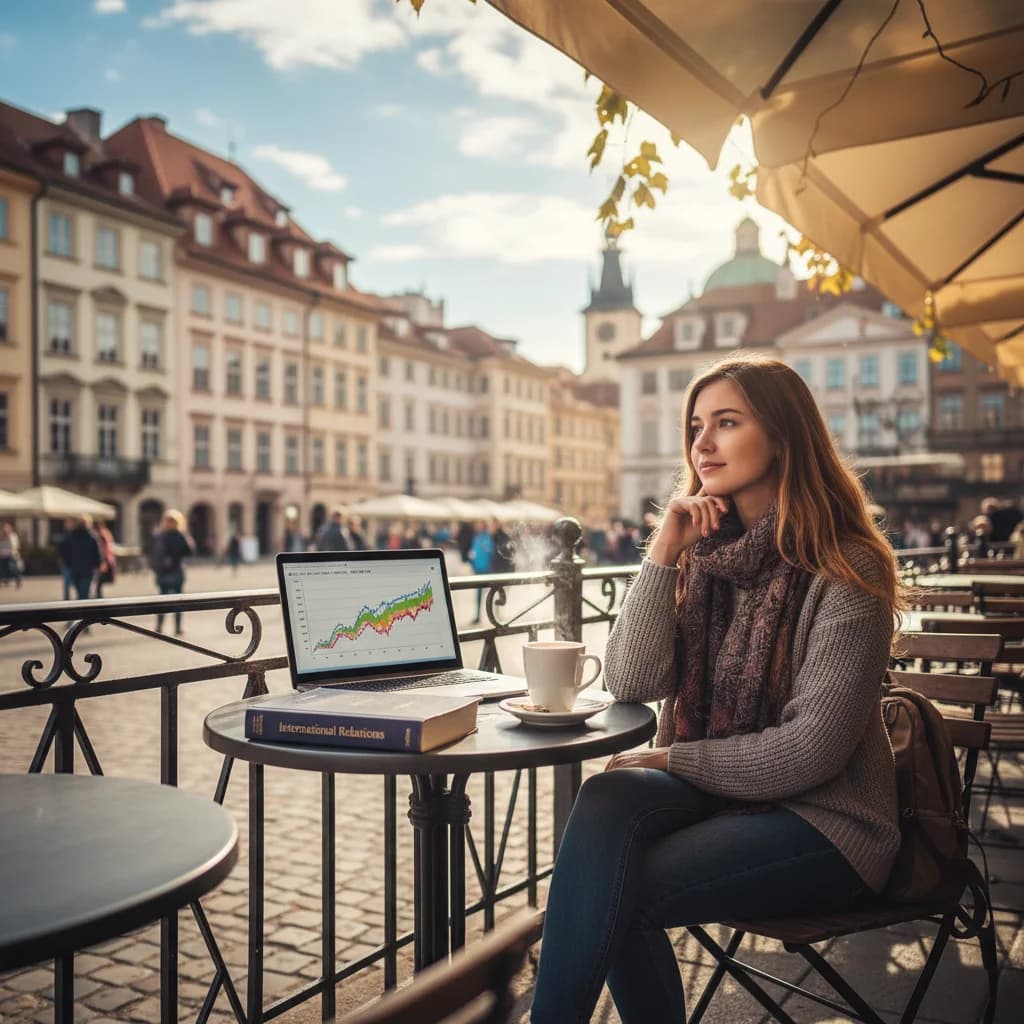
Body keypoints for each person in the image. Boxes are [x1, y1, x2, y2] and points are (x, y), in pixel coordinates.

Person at [531, 354, 903, 1024]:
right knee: (609, 793)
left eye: (726, 423)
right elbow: (634, 680)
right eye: (696, 425)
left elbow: (809, 753)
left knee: (620, 892)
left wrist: (674, 759)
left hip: (828, 822)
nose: (702, 443)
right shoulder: (706, 555)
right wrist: (662, 552)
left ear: (785, 436)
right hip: (725, 795)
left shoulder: (848, 567)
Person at [150, 509, 195, 635]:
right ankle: (178, 627)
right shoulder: (180, 535)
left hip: (163, 573)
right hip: (176, 572)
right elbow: (190, 551)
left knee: (162, 601)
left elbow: (149, 552)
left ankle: (159, 627)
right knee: (178, 602)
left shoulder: (159, 536)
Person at [57, 515, 102, 601]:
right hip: (85, 570)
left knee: (81, 593)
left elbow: (64, 552)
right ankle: (84, 611)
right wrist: (98, 565)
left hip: (77, 569)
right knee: (83, 593)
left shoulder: (73, 536)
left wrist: (68, 564)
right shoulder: (91, 537)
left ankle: (83, 610)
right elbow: (98, 554)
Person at [467, 520, 495, 624]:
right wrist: (472, 562)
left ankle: (491, 615)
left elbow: (490, 552)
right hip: (477, 569)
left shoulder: (486, 537)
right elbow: (473, 552)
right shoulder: (476, 538)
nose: (477, 527)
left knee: (489, 594)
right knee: (479, 594)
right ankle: (478, 615)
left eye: (479, 525)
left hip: (485, 570)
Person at [94, 519, 117, 598]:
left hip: (104, 559)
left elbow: (105, 548)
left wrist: (104, 561)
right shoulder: (107, 533)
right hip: (107, 558)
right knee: (99, 580)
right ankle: (98, 594)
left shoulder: (100, 534)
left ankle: (98, 595)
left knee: (99, 579)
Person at [0, 521, 22, 588]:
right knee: (3, 569)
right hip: (2, 556)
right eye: (4, 528)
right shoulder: (1, 536)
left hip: (11, 555)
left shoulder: (13, 536)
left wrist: (12, 551)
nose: (5, 529)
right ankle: (5, 580)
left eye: (7, 528)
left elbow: (16, 546)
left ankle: (18, 580)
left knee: (13, 568)